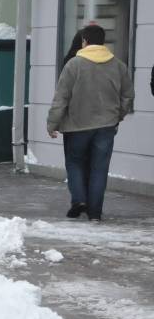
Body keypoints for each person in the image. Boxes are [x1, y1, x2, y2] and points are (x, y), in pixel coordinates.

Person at [46, 23, 134, 221]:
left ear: (84, 41)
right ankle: (95, 213)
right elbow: (128, 96)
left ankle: (79, 200)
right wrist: (117, 116)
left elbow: (61, 98)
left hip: (77, 126)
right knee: (99, 169)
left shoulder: (73, 65)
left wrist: (52, 124)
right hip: (106, 126)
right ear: (103, 42)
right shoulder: (118, 66)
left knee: (75, 162)